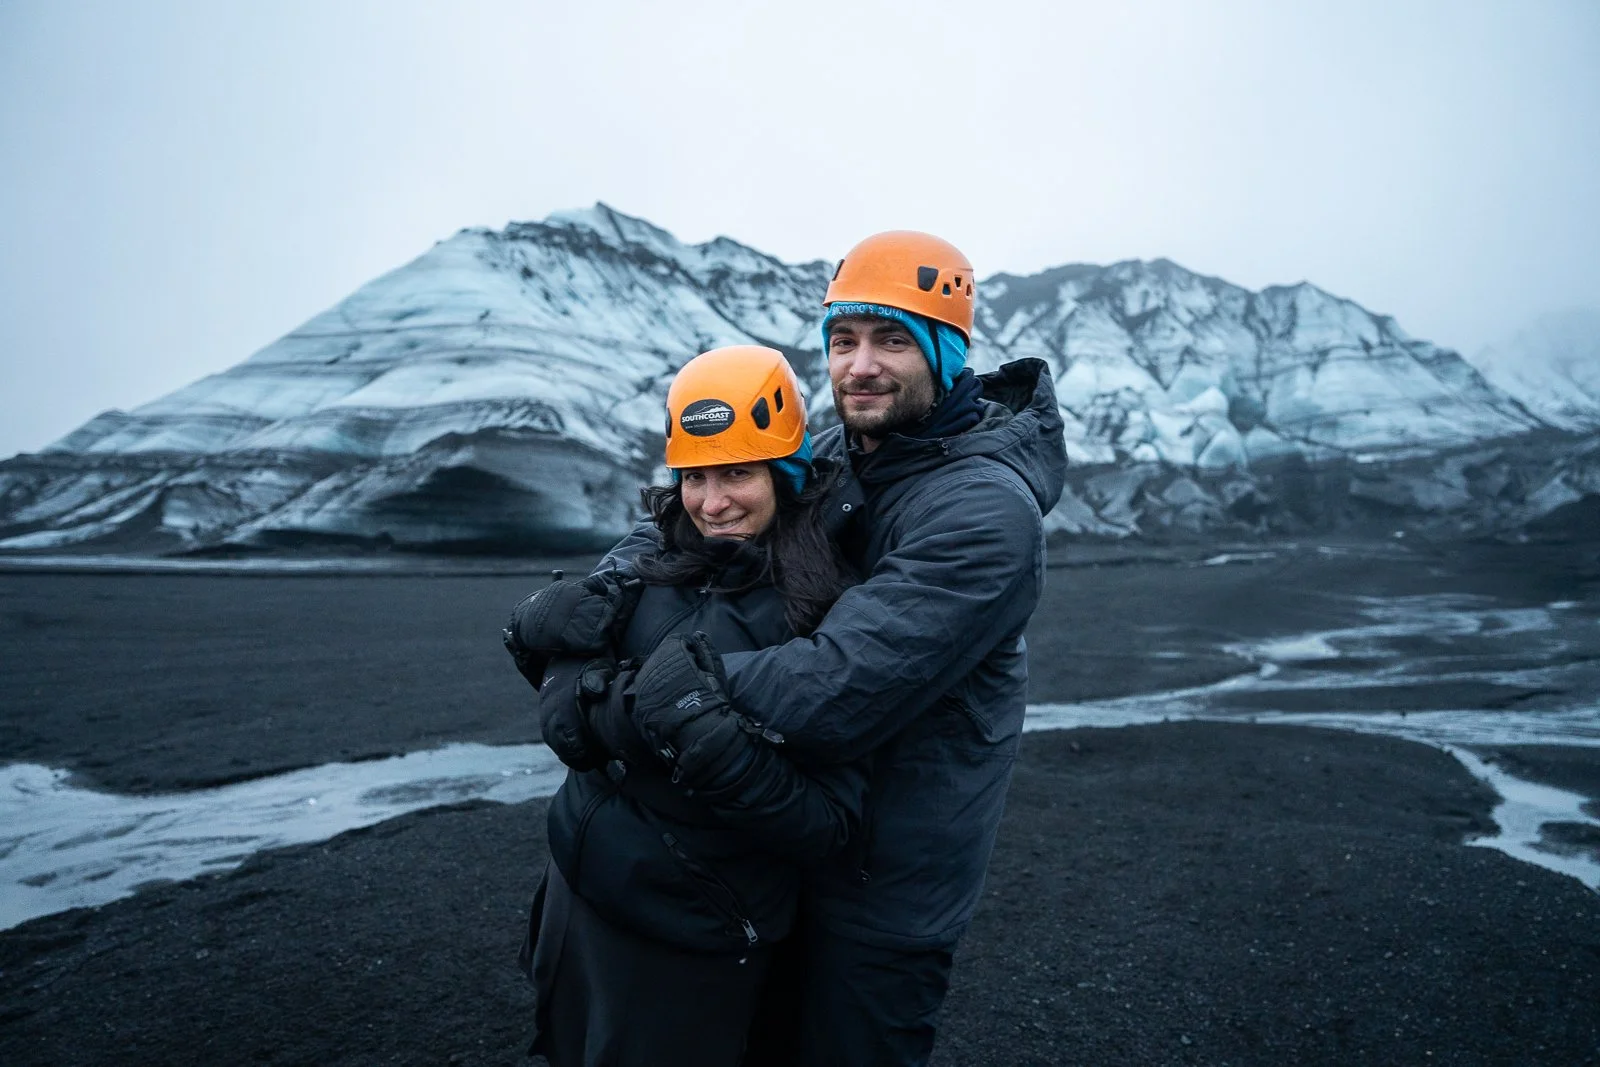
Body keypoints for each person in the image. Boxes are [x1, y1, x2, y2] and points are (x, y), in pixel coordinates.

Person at [592, 231, 1068, 1065]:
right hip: (785, 847)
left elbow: (837, 686)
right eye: (842, 340)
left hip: (888, 888)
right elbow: (707, 504)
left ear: (949, 352)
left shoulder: (984, 510)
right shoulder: (839, 456)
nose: (860, 365)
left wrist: (635, 697)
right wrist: (603, 584)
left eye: (892, 339)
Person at [502, 345, 864, 1067]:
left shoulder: (827, 613)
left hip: (695, 925)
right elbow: (567, 718)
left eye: (737, 471)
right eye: (696, 475)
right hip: (580, 892)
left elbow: (829, 823)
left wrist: (706, 742)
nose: (713, 500)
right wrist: (534, 637)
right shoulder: (651, 562)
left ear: (784, 473)